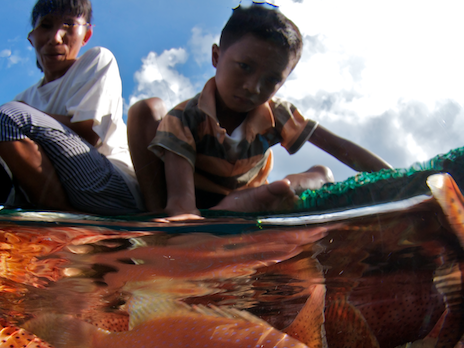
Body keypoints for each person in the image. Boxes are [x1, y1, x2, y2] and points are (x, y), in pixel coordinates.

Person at [127, 3, 393, 220]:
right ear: (217, 58)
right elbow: (181, 204)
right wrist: (184, 219)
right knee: (187, 211)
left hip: (253, 196)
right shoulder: (185, 118)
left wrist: (396, 179)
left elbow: (339, 148)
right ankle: (235, 207)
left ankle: (270, 195)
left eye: (271, 80)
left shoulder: (276, 114)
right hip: (200, 201)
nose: (254, 87)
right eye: (244, 66)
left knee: (323, 173)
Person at [0, 0, 143, 216]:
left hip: (111, 189)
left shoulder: (96, 61)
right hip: (54, 189)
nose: (56, 38)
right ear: (32, 37)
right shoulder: (24, 98)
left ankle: (65, 222)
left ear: (86, 35)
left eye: (69, 25)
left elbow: (88, 134)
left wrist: (10, 116)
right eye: (46, 26)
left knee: (2, 118)